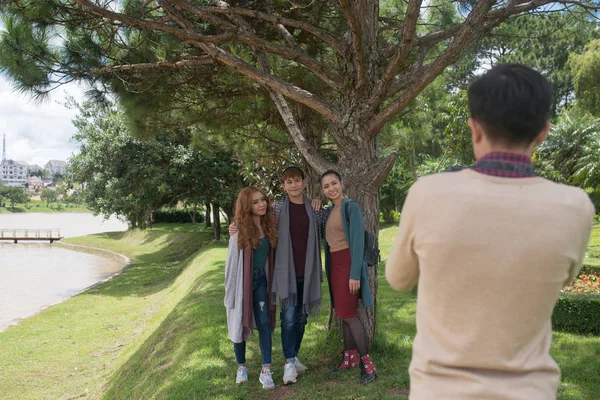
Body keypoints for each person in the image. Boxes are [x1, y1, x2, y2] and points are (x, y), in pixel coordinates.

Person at [385, 64, 595, 399]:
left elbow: (398, 278)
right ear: (543, 132)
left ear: (474, 128)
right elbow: (565, 278)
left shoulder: (428, 194)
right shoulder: (576, 207)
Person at [229, 166, 324, 385]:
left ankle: (294, 355)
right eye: (289, 182)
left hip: (308, 272)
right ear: (283, 186)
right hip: (285, 273)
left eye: (297, 180)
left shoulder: (315, 208)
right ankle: (289, 363)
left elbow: (332, 223)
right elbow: (255, 219)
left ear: (305, 182)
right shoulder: (279, 209)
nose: (294, 185)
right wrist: (234, 228)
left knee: (302, 318)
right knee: (289, 318)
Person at [320, 170, 377, 384]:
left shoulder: (350, 206)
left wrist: (354, 274)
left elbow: (357, 243)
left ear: (342, 183)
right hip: (335, 265)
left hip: (348, 264)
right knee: (343, 314)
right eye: (326, 186)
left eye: (334, 183)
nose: (331, 188)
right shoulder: (329, 211)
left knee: (350, 315)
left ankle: (367, 364)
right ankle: (349, 358)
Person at [224, 187, 278, 390]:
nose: (261, 204)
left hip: (261, 282)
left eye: (263, 200)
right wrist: (231, 294)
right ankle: (241, 366)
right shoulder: (238, 230)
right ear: (247, 205)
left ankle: (266, 370)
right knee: (238, 322)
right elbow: (231, 265)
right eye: (255, 202)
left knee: (264, 323)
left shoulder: (270, 224)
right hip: (241, 284)